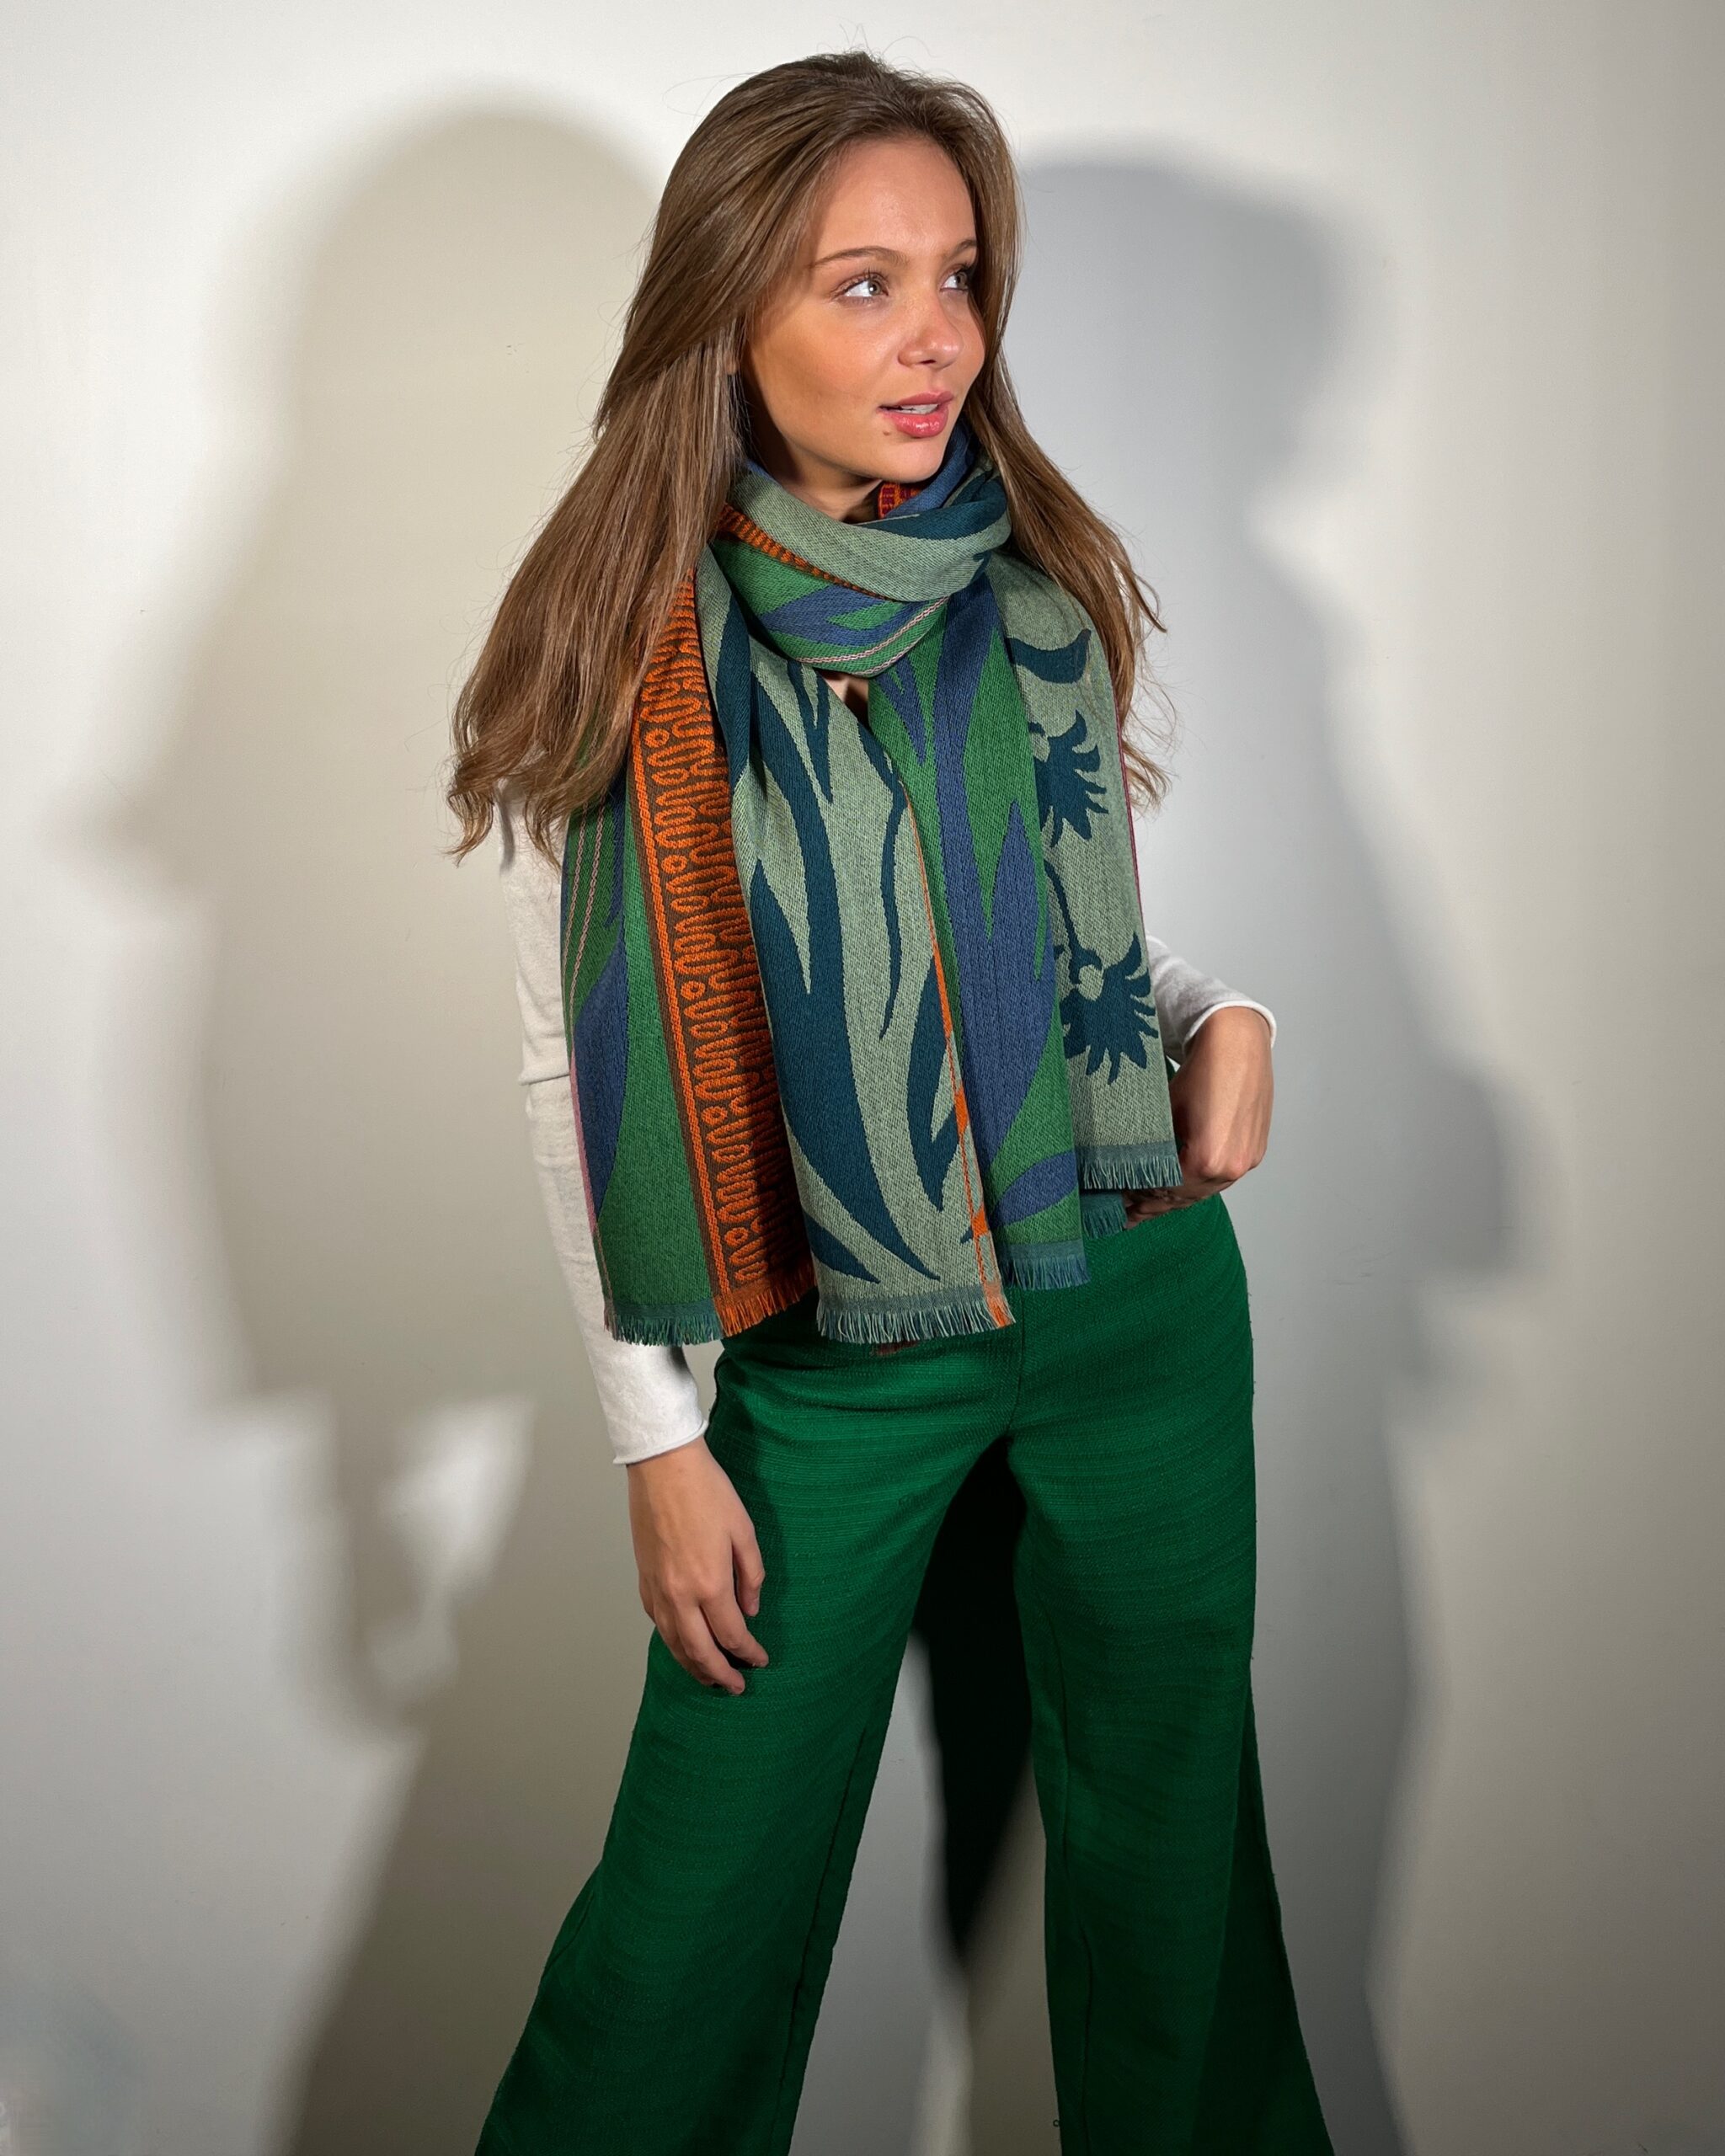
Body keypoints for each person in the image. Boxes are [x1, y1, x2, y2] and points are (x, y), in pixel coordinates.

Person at [445, 46, 1334, 2156]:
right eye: (863, 283)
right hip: (834, 1346)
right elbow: (570, 1074)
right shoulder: (623, 657)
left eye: (957, 275)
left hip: (1130, 1301)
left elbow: (1063, 942)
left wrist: (1223, 1012)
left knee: (1173, 1853)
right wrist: (658, 1439)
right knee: (696, 1899)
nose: (936, 334)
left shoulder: (1028, 590)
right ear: (726, 314)